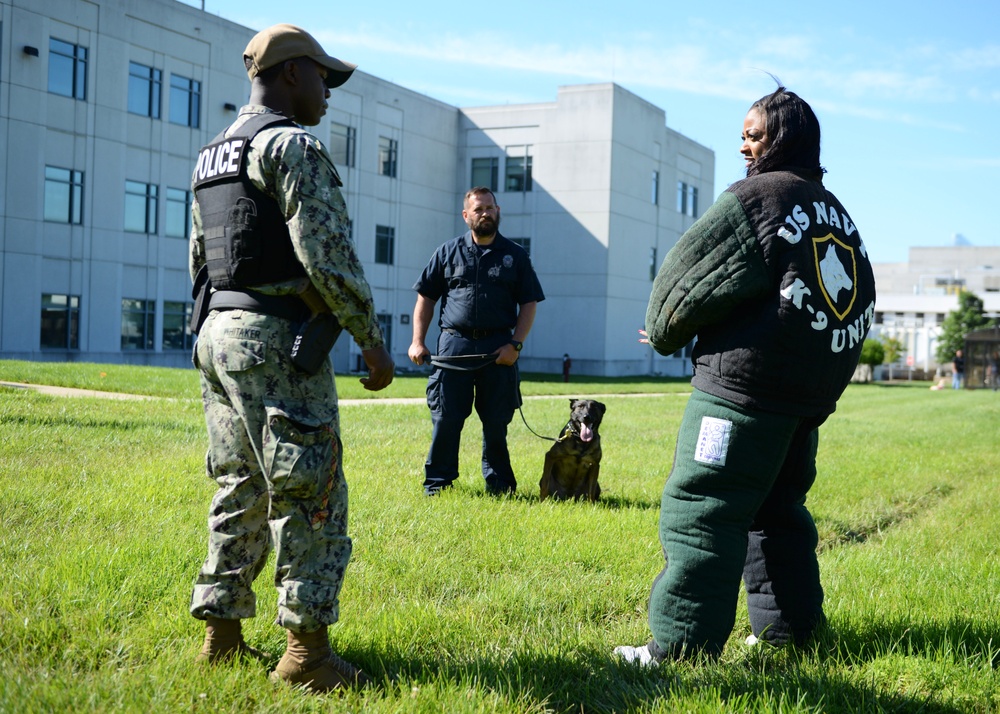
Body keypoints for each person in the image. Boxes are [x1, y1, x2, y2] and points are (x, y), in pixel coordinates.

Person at [615, 87, 876, 664]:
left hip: (739, 395)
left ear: (781, 138)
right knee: (778, 511)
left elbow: (686, 279)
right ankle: (792, 630)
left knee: (702, 508)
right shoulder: (835, 211)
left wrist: (664, 332)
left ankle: (680, 647)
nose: (743, 147)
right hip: (800, 402)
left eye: (753, 135)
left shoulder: (757, 197)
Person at [187, 23, 394, 693]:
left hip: (218, 333)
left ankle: (221, 635)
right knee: (309, 493)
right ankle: (308, 655)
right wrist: (369, 337)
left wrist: (205, 333)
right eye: (322, 78)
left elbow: (202, 259)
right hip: (276, 338)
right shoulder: (290, 146)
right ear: (290, 74)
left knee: (238, 485)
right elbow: (327, 254)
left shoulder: (212, 154)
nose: (329, 92)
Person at [407, 187, 545, 495]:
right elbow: (426, 297)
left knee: (496, 423)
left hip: (498, 349)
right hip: (454, 347)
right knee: (446, 419)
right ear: (466, 215)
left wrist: (515, 345)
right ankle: (438, 484)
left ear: (498, 211)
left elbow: (530, 303)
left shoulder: (515, 256)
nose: (485, 213)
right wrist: (418, 341)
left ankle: (499, 485)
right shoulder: (447, 252)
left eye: (490, 208)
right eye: (479, 209)